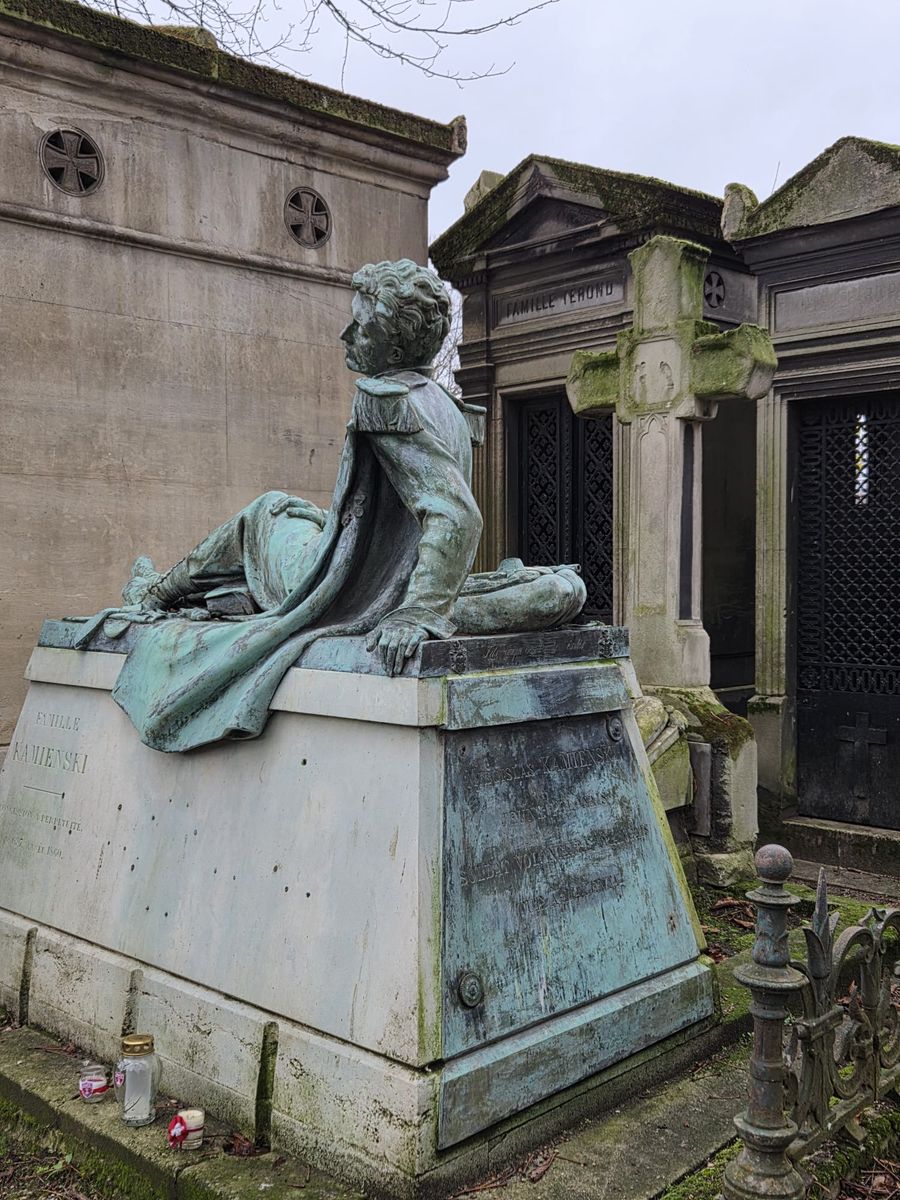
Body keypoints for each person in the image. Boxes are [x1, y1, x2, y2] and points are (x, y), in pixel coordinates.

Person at [75, 260, 585, 752]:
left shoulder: (385, 400)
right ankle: (213, 589)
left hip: (336, 586)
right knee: (301, 516)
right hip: (376, 566)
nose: (346, 334)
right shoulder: (442, 401)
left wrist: (417, 613)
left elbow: (456, 515)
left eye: (360, 327)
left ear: (394, 344)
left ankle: (156, 595)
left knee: (265, 513)